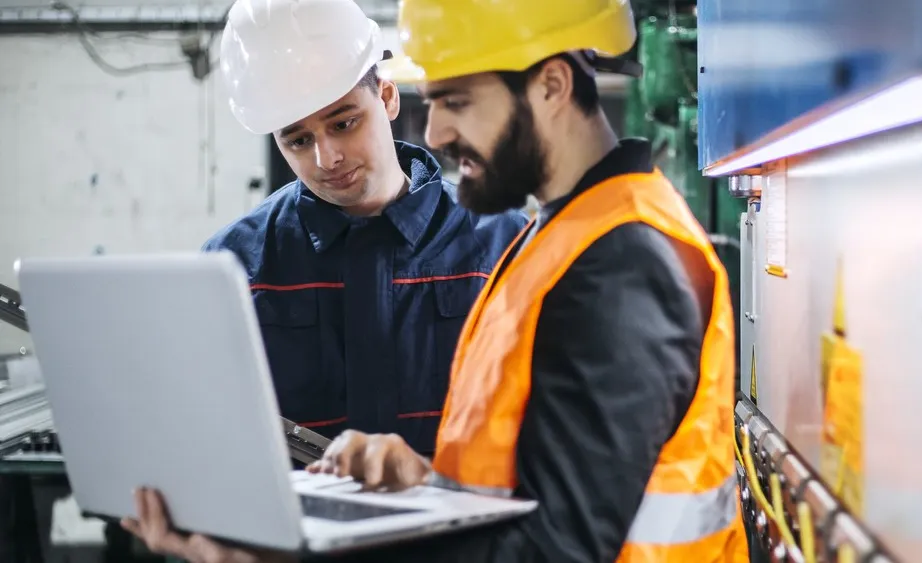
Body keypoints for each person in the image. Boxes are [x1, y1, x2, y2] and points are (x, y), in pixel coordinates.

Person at [123, 0, 749, 562]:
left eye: (456, 101)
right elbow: (524, 485)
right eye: (298, 138)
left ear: (552, 85)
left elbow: (556, 547)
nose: (435, 132)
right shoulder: (557, 242)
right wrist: (425, 483)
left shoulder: (621, 263)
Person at [198, 0, 527, 456]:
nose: (325, 158)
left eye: (344, 123)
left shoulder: (502, 242)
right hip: (302, 527)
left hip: (466, 524)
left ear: (388, 98)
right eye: (298, 139)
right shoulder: (233, 265)